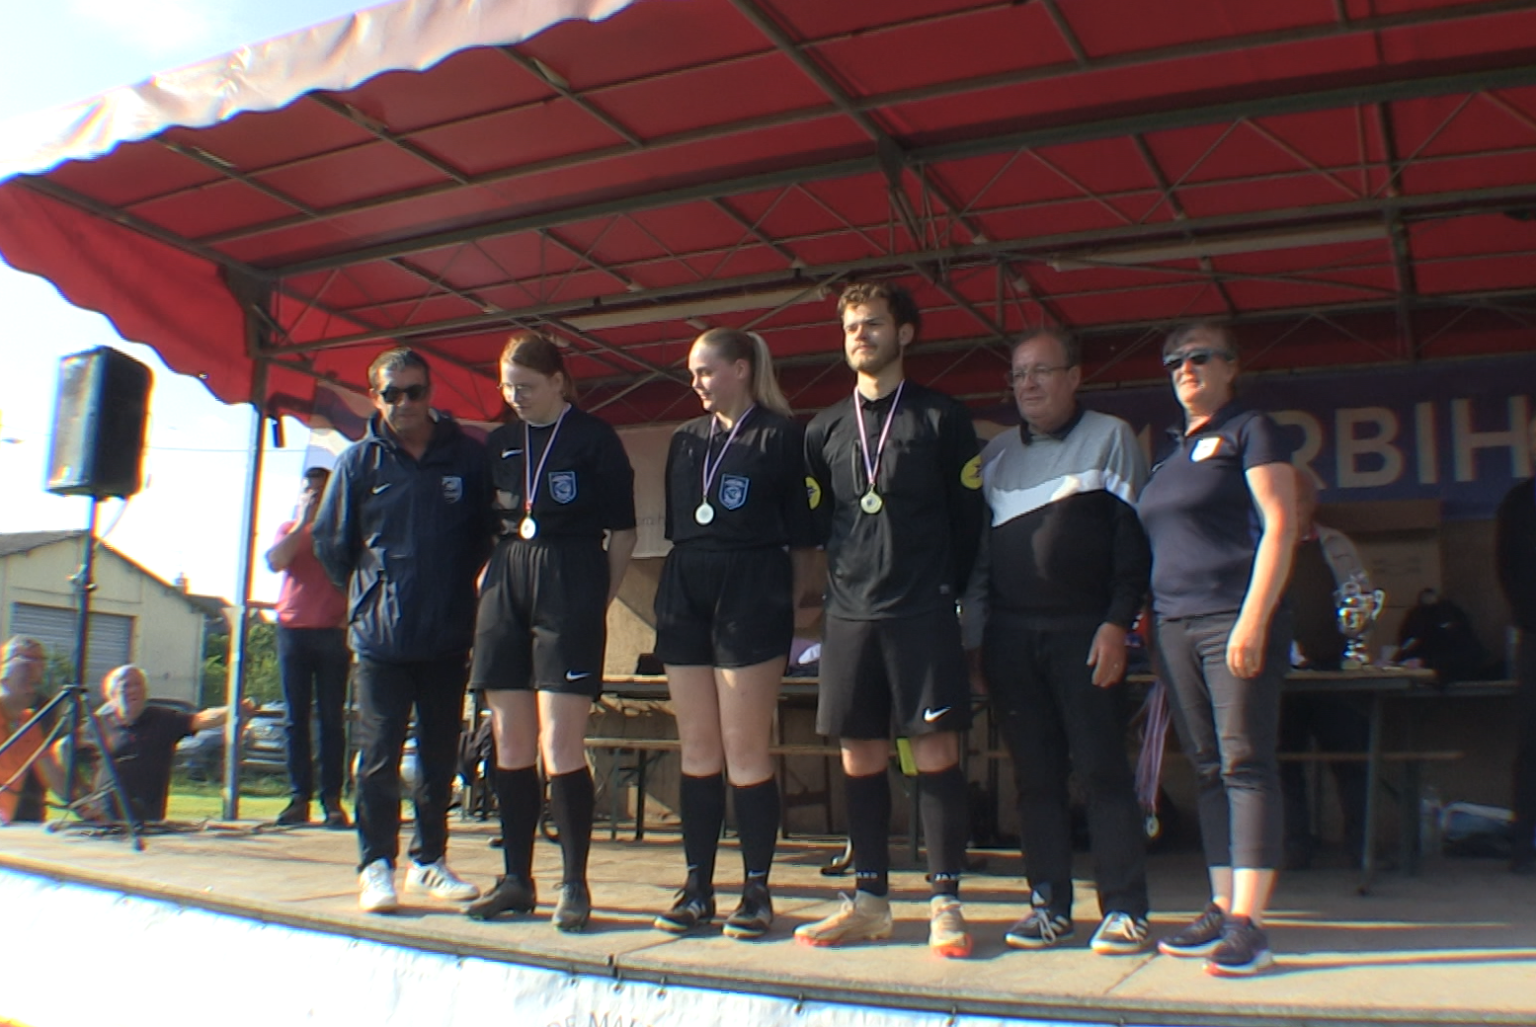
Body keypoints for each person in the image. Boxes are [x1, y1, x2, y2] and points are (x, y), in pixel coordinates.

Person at [797, 282, 986, 958]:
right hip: (850, 614)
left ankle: (945, 903)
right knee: (859, 756)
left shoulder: (942, 417)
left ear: (904, 333)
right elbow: (822, 524)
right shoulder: (821, 428)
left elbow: (969, 521)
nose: (860, 335)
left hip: (922, 608)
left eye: (873, 324)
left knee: (935, 754)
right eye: (851, 325)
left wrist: (942, 590)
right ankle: (870, 901)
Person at [962, 328, 1153, 955]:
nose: (1028, 384)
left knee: (1102, 773)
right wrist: (978, 641)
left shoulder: (1111, 437)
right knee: (1035, 780)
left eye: (1041, 371)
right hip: (1011, 640)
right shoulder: (996, 455)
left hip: (1087, 635)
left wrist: (1117, 624)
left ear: (1074, 376)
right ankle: (1048, 905)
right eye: (1019, 374)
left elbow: (1134, 547)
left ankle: (1124, 910)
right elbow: (979, 561)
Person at [1136, 322, 1296, 977]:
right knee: (1206, 766)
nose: (1186, 368)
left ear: (1232, 366)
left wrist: (1254, 618)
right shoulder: (1169, 455)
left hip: (1232, 616)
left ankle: (1248, 923)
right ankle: (1222, 902)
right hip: (1173, 625)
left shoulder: (1252, 430)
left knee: (1244, 761)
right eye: (1174, 361)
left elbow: (1281, 523)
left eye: (1200, 357)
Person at [463, 331, 636, 932]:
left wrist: (598, 599)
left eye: (527, 386)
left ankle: (573, 883)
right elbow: (482, 524)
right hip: (508, 577)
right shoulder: (499, 442)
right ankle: (516, 879)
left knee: (559, 744)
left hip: (570, 575)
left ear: (559, 381)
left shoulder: (595, 438)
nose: (516, 396)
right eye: (508, 386)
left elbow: (624, 532)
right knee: (509, 742)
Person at [649, 327, 818, 941]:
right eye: (692, 372)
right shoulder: (685, 438)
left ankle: (756, 889)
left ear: (741, 369)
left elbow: (805, 539)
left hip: (753, 586)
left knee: (744, 749)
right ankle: (697, 887)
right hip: (687, 585)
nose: (695, 382)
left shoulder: (783, 436)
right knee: (698, 748)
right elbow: (680, 525)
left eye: (706, 370)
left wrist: (791, 604)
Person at [312, 347, 493, 914]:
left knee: (439, 757)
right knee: (379, 758)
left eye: (415, 391)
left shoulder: (468, 457)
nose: (405, 403)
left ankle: (429, 860)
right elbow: (331, 544)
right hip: (380, 640)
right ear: (375, 397)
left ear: (430, 392)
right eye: (392, 394)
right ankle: (375, 867)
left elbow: (484, 536)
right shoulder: (357, 464)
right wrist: (370, 597)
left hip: (446, 634)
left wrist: (456, 591)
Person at [1280, 467, 1370, 870]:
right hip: (1281, 676)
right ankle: (1295, 847)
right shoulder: (1260, 546)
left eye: (1298, 500)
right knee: (1284, 763)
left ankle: (1360, 847)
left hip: (1334, 669)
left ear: (1311, 503)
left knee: (1350, 760)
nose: (1292, 508)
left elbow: (1362, 600)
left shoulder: (1336, 544)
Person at [265, 466, 351, 829]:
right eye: (309, 491)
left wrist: (348, 618)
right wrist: (303, 521)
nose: (314, 497)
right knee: (294, 717)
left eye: (321, 492)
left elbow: (359, 574)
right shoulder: (290, 529)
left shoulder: (345, 532)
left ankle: (332, 799)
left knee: (332, 718)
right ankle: (299, 797)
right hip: (293, 630)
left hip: (332, 631)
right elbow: (275, 562)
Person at [75, 665, 249, 822]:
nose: (134, 690)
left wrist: (235, 709)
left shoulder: (162, 719)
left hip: (148, 822)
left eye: (138, 685)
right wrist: (80, 798)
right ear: (111, 693)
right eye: (126, 685)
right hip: (104, 821)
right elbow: (61, 754)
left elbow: (201, 719)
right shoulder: (96, 726)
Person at [1495, 435, 1536, 875]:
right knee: (1532, 744)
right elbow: (1506, 568)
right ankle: (1525, 845)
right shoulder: (1519, 503)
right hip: (1534, 634)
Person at [0, 637, 64, 824]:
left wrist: (86, 804)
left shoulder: (28, 722)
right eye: (26, 662)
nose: (36, 669)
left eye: (40, 662)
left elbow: (54, 778)